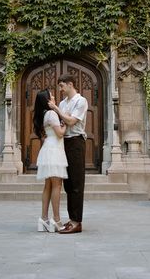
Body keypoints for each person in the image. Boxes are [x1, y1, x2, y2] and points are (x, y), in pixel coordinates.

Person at [48, 73, 88, 234]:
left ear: (70, 84)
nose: (60, 89)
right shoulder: (64, 103)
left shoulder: (81, 101)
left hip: (77, 142)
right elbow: (62, 122)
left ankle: (77, 222)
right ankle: (72, 219)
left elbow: (71, 121)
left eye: (62, 86)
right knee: (68, 184)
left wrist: (56, 109)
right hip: (63, 142)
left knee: (77, 183)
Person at [33, 88, 68, 233]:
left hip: (48, 149)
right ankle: (57, 220)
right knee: (57, 186)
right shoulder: (52, 113)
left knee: (48, 185)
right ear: (47, 100)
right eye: (51, 95)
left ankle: (44, 219)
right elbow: (60, 134)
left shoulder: (43, 115)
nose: (54, 96)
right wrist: (65, 123)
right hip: (54, 151)